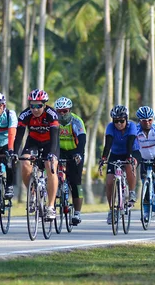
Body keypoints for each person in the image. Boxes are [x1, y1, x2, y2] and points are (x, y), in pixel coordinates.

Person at [13, 89, 60, 221]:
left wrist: (52, 154)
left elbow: (55, 137)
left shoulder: (52, 114)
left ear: (44, 105)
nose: (35, 109)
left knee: (50, 166)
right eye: (32, 105)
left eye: (38, 105)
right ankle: (32, 193)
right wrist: (15, 153)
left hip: (50, 143)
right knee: (25, 162)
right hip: (33, 141)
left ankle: (50, 206)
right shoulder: (25, 115)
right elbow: (19, 136)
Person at [99, 105, 138, 225]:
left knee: (128, 166)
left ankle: (131, 191)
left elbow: (130, 142)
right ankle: (112, 209)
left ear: (126, 119)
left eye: (122, 121)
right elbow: (108, 144)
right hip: (115, 153)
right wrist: (104, 158)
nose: (119, 124)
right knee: (110, 181)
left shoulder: (132, 126)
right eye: (116, 121)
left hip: (131, 151)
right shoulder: (110, 127)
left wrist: (130, 157)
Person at [54, 96, 86, 225]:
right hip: (59, 150)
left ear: (70, 110)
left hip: (74, 151)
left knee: (75, 182)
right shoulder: (53, 121)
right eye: (59, 111)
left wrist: (79, 153)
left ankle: (77, 213)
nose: (62, 114)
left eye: (65, 111)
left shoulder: (76, 121)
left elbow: (82, 139)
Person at [134, 106, 155, 221]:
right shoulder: (135, 130)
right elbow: (134, 148)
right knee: (146, 188)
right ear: (139, 120)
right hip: (143, 159)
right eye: (144, 120)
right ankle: (146, 213)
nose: (147, 122)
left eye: (149, 120)